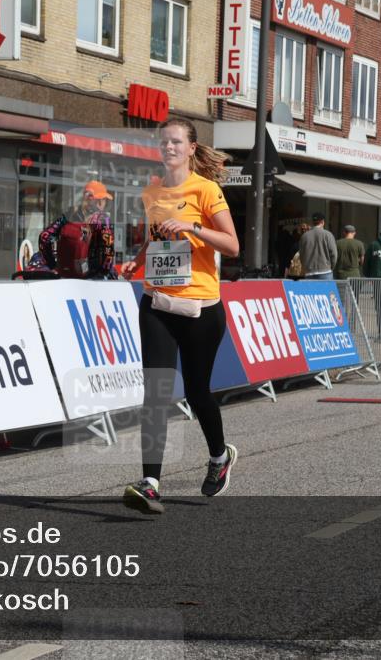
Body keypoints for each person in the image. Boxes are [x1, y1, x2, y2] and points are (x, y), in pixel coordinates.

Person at [119, 117, 240, 514]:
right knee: (154, 391)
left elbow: (233, 245)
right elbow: (155, 239)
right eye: (164, 142)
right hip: (157, 303)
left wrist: (193, 226)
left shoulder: (206, 190)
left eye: (176, 142)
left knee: (196, 392)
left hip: (200, 307)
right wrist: (133, 263)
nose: (168, 147)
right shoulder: (151, 192)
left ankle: (220, 457)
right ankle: (151, 483)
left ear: (191, 148)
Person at [38, 180, 116, 279]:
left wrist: (52, 265)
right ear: (96, 200)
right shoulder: (102, 218)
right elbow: (108, 246)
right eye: (103, 199)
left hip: (66, 274)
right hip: (92, 277)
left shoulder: (68, 215)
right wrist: (104, 271)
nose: (103, 202)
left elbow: (44, 237)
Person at [299, 213, 338, 280]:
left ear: (312, 222)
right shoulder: (328, 235)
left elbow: (302, 255)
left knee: (311, 291)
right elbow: (334, 254)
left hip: (309, 272)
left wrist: (305, 267)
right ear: (322, 222)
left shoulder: (304, 236)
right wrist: (330, 267)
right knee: (325, 290)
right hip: (325, 272)